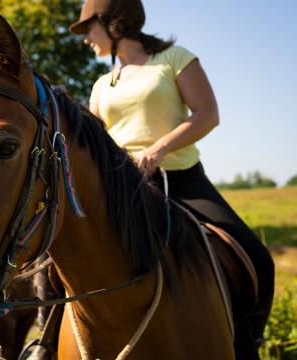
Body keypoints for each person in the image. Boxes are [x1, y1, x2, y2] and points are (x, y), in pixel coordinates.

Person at [69, 0, 274, 356]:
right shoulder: (102, 85)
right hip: (122, 191)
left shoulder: (175, 59)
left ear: (113, 23)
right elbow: (94, 141)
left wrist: (158, 150)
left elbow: (208, 113)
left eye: (89, 28)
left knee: (258, 258)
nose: (86, 38)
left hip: (181, 179)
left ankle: (247, 342)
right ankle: (45, 341)